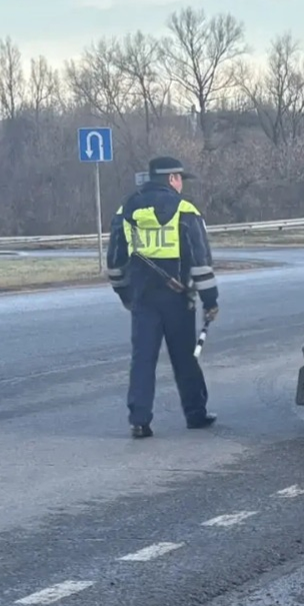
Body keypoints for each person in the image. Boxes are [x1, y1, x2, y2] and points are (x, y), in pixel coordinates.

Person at [106, 156, 221, 438]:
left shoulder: (126, 209)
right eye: (180, 178)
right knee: (185, 358)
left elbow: (115, 261)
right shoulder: (185, 210)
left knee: (143, 358)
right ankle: (195, 414)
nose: (181, 183)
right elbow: (201, 262)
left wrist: (124, 294)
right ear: (171, 178)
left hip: (142, 297)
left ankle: (139, 420)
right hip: (178, 298)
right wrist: (210, 300)